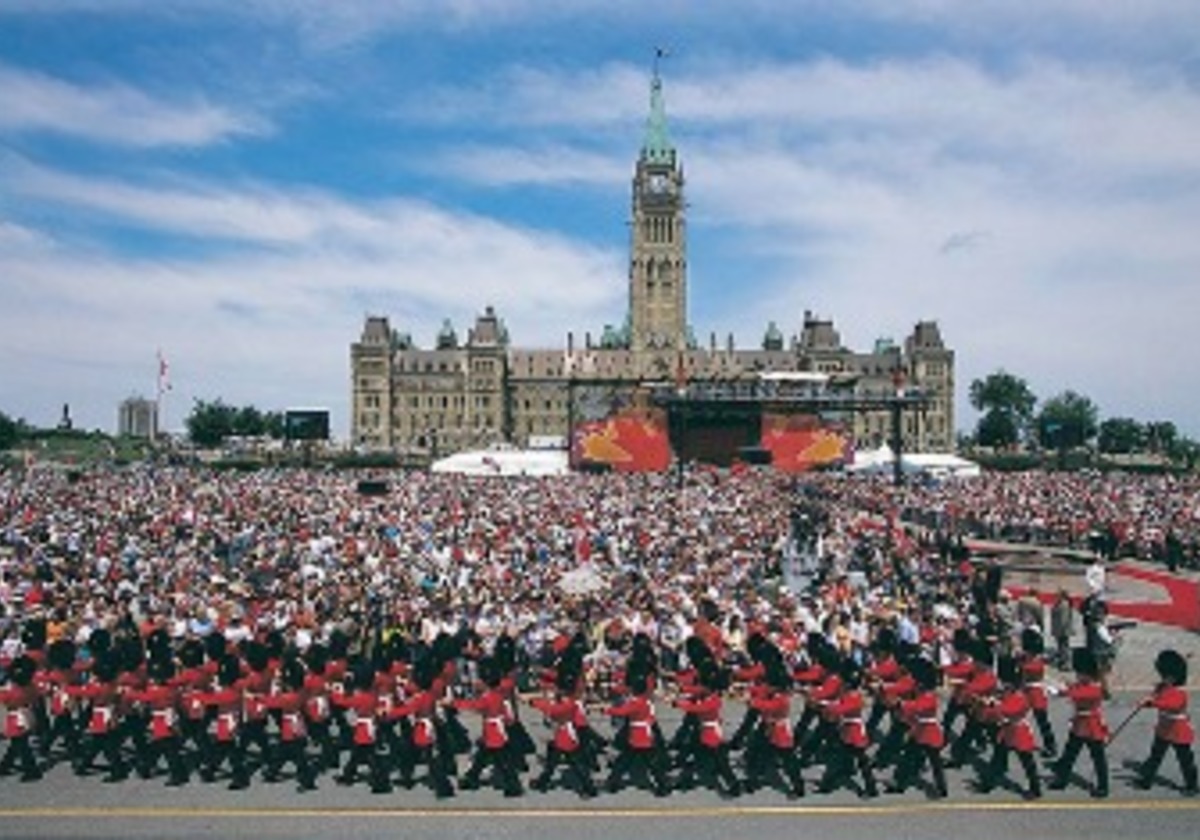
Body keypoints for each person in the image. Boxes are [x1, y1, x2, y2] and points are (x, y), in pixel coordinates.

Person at [976, 655, 1042, 800]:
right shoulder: (1008, 693)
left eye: (1006, 683)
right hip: (1007, 731)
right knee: (997, 757)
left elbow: (1008, 710)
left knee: (1027, 763)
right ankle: (988, 784)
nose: (1003, 686)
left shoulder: (1020, 697)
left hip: (1019, 732)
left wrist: (993, 704)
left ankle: (1035, 788)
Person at [1133, 649, 1197, 796]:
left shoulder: (1180, 693)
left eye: (1166, 676)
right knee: (1155, 756)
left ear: (1173, 678)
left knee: (1185, 760)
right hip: (1164, 729)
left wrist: (1153, 702)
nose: (1163, 678)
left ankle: (1192, 785)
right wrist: (1147, 703)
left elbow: (1170, 705)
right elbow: (1158, 700)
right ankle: (1146, 779)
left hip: (1179, 731)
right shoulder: (1163, 687)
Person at [1049, 647, 1109, 798]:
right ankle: (1062, 779)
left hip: (1092, 725)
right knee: (1070, 754)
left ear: (1087, 673)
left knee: (1098, 757)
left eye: (1079, 673)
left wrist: (1061, 691)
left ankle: (1103, 786)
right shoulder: (1085, 684)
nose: (1078, 675)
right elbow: (1076, 689)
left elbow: (1078, 694)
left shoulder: (1094, 689)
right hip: (1079, 724)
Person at [1050, 590, 1074, 670]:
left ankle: (1066, 664)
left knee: (1064, 647)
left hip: (1062, 630)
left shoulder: (1064, 605)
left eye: (1058, 595)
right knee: (1061, 646)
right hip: (1060, 629)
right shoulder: (1060, 604)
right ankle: (1062, 662)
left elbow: (1063, 619)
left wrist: (1061, 631)